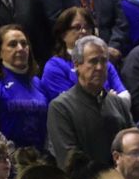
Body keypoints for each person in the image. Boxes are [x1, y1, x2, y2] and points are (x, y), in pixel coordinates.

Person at [45, 35, 133, 166]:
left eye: (103, 61)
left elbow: (133, 145)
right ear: (76, 65)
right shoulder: (60, 107)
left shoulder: (118, 103)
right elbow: (69, 160)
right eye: (93, 61)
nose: (99, 67)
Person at [0, 24, 48, 150]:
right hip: (8, 160)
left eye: (24, 44)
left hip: (40, 158)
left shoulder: (37, 82)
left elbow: (48, 125)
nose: (20, 48)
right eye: (12, 44)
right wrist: (11, 155)